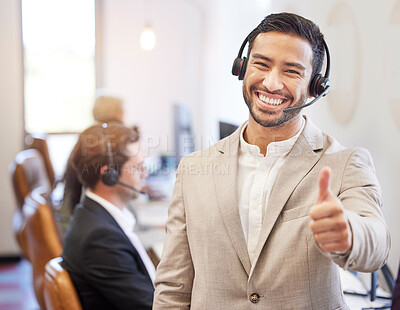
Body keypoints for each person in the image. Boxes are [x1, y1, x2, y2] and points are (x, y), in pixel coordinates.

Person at [153, 12, 391, 309]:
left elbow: (378, 243)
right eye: (261, 64)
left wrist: (349, 234)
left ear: (315, 86)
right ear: (242, 67)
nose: (271, 83)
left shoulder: (345, 163)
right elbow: (173, 287)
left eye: (292, 71)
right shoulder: (193, 170)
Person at [61, 123, 154, 310]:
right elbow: (153, 306)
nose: (145, 173)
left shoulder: (94, 216)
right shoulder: (100, 239)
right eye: (138, 167)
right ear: (109, 175)